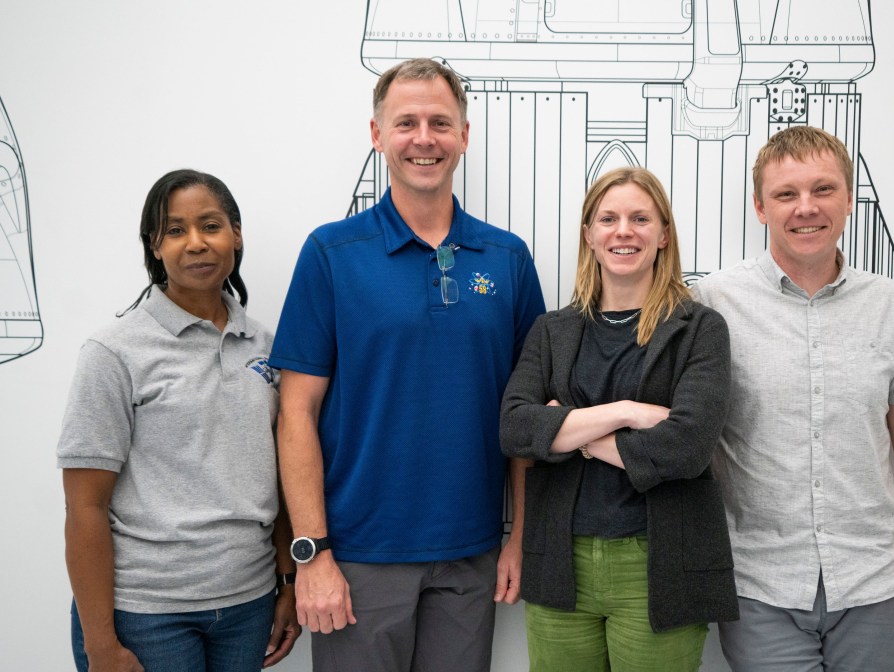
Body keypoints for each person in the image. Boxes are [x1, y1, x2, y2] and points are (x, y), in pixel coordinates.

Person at [269, 58, 546, 672]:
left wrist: (521, 540)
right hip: (357, 559)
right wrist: (311, 555)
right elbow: (296, 413)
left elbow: (527, 420)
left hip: (469, 555)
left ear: (465, 136)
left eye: (441, 123)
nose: (425, 138)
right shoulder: (331, 254)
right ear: (377, 135)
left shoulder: (507, 259)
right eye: (407, 123)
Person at [693, 126, 894, 671]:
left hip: (871, 580)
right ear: (760, 207)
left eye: (823, 189)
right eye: (786, 194)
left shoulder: (888, 303)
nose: (806, 208)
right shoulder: (713, 301)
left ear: (847, 199)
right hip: (759, 582)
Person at [57, 169, 300, 672]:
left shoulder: (267, 347)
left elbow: (277, 482)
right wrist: (101, 644)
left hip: (247, 603)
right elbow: (84, 507)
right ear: (155, 245)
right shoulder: (114, 352)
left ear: (236, 234)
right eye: (175, 230)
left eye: (210, 226)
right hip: (147, 612)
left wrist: (288, 585)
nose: (196, 244)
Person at [500, 167, 738, 672]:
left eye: (639, 218)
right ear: (589, 235)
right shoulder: (552, 331)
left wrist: (568, 431)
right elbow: (516, 428)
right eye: (608, 218)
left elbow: (688, 447)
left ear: (663, 234)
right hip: (558, 559)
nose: (623, 231)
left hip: (661, 564)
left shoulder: (699, 329)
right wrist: (625, 413)